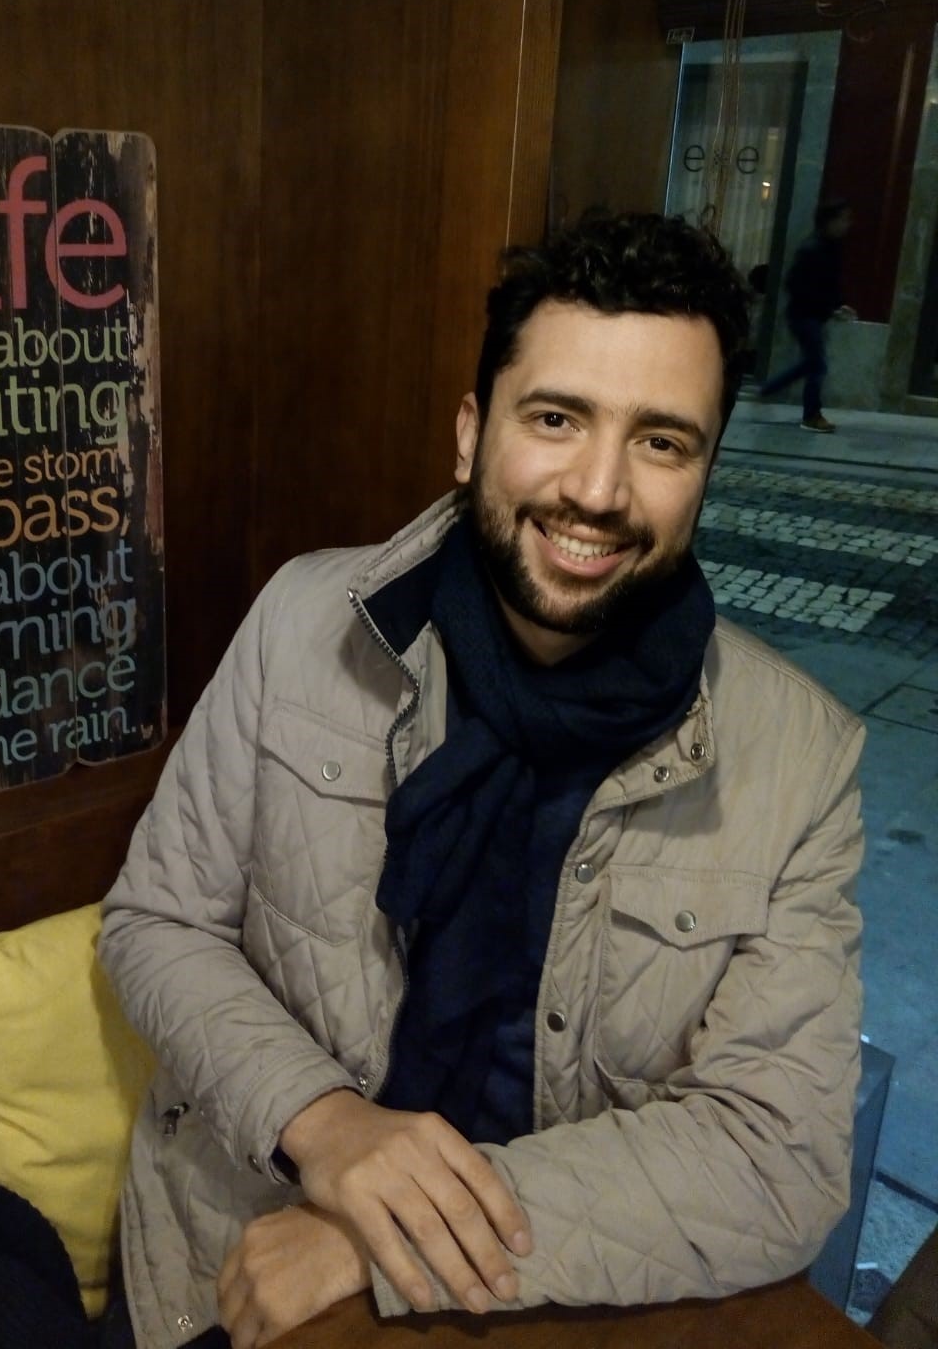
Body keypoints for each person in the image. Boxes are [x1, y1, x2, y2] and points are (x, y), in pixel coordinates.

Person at [99, 211, 865, 1349]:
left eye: (662, 442)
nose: (598, 489)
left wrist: (389, 1235)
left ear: (706, 470)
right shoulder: (304, 625)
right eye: (556, 418)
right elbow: (156, 921)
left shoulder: (799, 755)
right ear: (471, 433)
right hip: (238, 1254)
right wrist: (328, 1123)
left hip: (542, 1300)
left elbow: (775, 1154)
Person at [760, 197, 856, 433]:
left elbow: (830, 284)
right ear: (829, 221)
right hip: (804, 316)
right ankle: (811, 415)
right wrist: (831, 308)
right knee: (817, 366)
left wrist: (839, 305)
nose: (847, 224)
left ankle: (769, 389)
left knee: (811, 363)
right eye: (843, 219)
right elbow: (796, 285)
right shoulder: (812, 249)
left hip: (814, 315)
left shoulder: (830, 248)